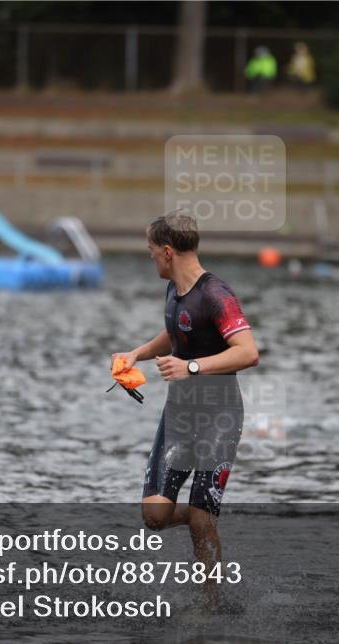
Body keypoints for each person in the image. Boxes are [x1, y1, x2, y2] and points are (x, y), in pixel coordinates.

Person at [111, 209, 259, 600]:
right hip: (180, 415)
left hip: (220, 416)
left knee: (199, 517)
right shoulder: (174, 290)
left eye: (150, 252)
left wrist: (191, 366)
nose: (150, 259)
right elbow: (176, 327)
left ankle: (210, 603)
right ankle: (200, 516)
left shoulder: (217, 295)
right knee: (155, 515)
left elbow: (248, 353)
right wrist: (137, 354)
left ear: (167, 252)